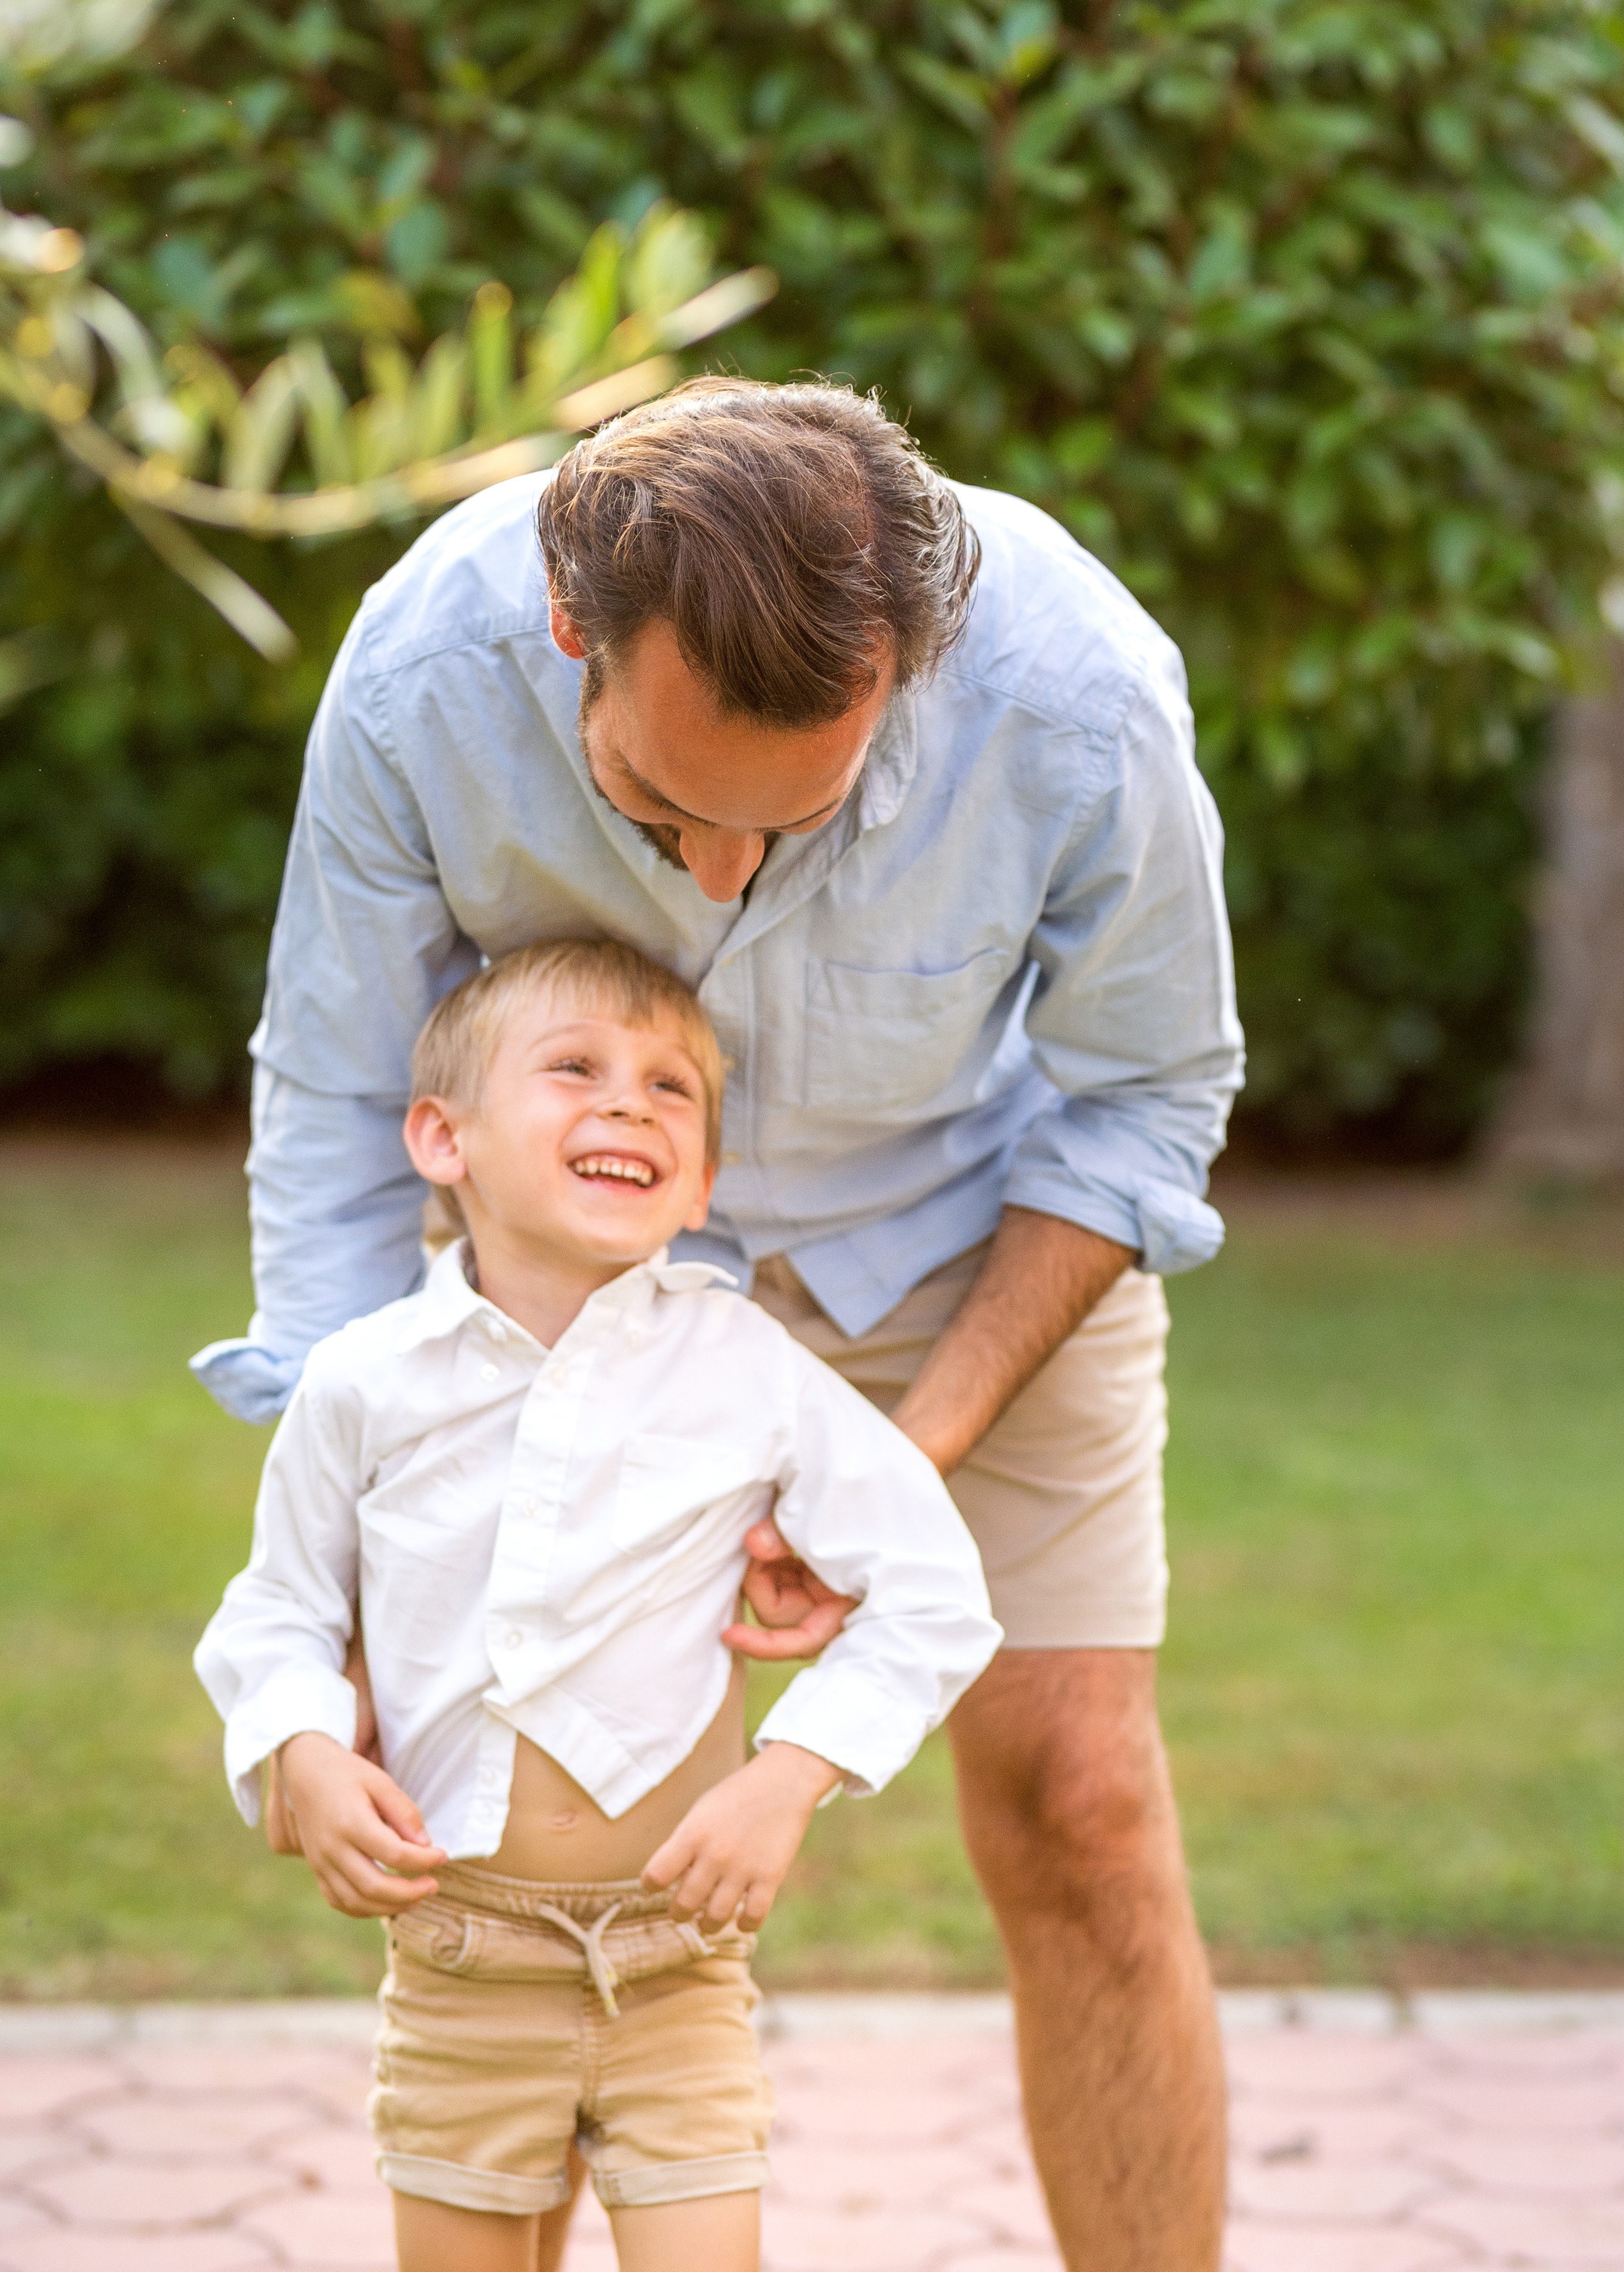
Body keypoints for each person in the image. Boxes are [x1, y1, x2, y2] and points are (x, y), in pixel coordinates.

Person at [193, 377, 1244, 2271]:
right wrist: (341, 1564)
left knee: (1083, 1799)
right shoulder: (427, 671)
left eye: (795, 819)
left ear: (909, 669)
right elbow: (343, 1091)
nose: (720, 874)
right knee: (524, 1856)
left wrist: (894, 1466)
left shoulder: (1078, 695)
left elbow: (1143, 1103)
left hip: (964, 1251)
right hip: (559, 1276)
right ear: (570, 628)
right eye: (660, 809)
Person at [196, 935, 1000, 2272]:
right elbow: (277, 1609)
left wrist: (788, 1772)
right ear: (442, 1138)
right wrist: (302, 1749)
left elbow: (934, 1594)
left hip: (678, 1962)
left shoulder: (750, 1370)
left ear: (698, 1186)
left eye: (671, 1088)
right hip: (460, 1957)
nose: (629, 1101)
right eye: (574, 1069)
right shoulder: (364, 1384)